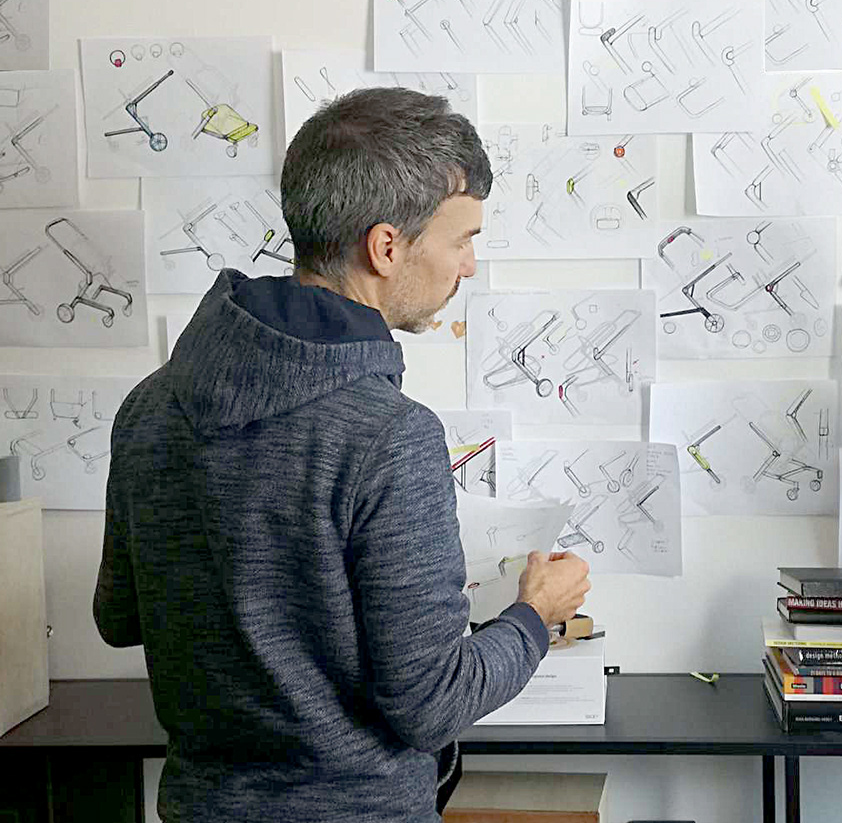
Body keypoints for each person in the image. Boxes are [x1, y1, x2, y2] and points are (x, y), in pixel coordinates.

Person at [93, 87, 591, 822]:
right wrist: (534, 613)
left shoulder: (150, 405)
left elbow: (119, 617)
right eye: (462, 239)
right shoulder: (390, 437)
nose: (468, 266)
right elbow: (432, 702)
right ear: (386, 247)